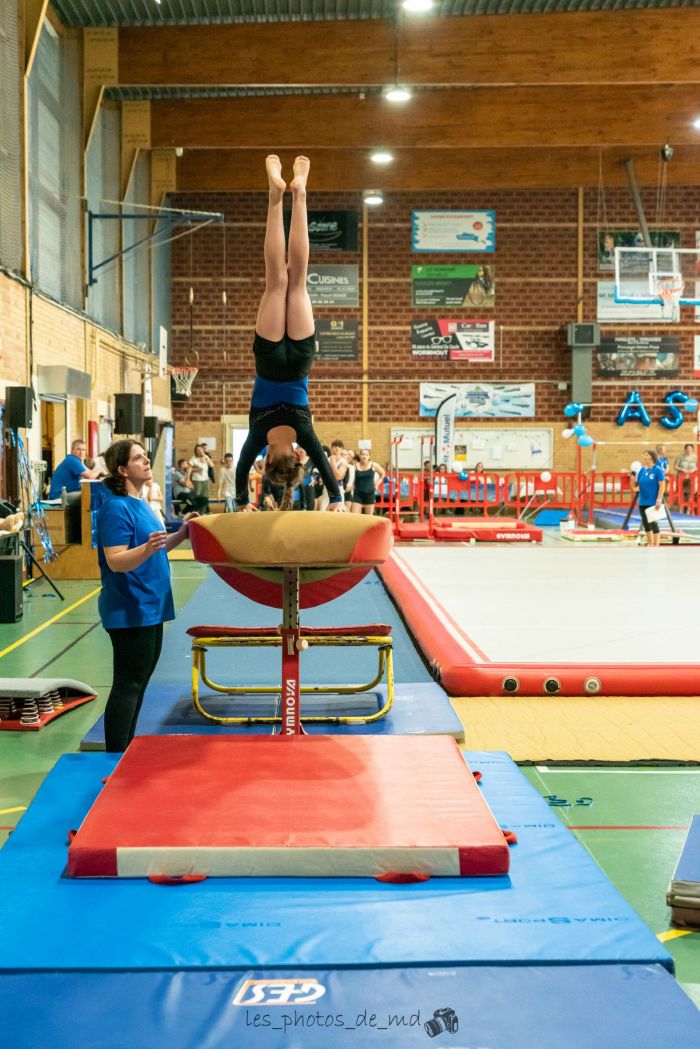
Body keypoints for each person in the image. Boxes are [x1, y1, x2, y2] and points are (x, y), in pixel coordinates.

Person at [234, 155, 346, 514]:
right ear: (267, 463)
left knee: (297, 281)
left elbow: (327, 471)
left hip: (299, 362)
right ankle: (275, 195)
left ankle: (300, 192)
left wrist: (338, 498)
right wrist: (240, 501)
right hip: (268, 361)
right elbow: (239, 471)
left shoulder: (305, 436)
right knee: (277, 280)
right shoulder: (256, 437)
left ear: (298, 457)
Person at [96, 440, 195, 752]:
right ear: (122, 469)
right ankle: (113, 756)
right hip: (129, 608)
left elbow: (157, 546)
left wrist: (182, 533)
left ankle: (125, 750)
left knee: (139, 685)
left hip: (151, 604)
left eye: (145, 455)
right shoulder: (115, 507)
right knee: (128, 684)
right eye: (138, 458)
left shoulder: (142, 504)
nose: (146, 460)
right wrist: (148, 547)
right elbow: (116, 559)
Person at [632, 449, 666, 548]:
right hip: (642, 501)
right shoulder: (642, 470)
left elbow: (662, 486)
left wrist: (659, 500)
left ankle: (656, 544)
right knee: (646, 524)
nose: (643, 456)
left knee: (654, 523)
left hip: (653, 501)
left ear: (651, 457)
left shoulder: (658, 470)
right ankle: (650, 543)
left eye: (646, 454)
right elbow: (637, 485)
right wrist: (634, 481)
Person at [350, 448, 385, 516]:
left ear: (369, 456)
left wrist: (377, 484)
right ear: (360, 456)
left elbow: (383, 473)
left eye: (366, 455)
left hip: (369, 493)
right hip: (358, 494)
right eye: (362, 454)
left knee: (369, 516)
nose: (364, 456)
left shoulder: (373, 465)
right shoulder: (355, 466)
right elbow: (351, 479)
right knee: (354, 516)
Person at [189, 444, 214, 511]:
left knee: (205, 496)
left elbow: (211, 465)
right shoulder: (193, 458)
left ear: (203, 450)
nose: (199, 451)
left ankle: (203, 512)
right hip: (197, 480)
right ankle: (196, 510)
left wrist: (204, 457)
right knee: (197, 495)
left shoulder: (206, 456)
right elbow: (189, 469)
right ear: (195, 451)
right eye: (198, 450)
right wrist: (196, 470)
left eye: (201, 449)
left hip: (205, 479)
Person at [673, 442, 697, 514]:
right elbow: (675, 466)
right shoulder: (680, 457)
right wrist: (682, 469)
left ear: (692, 450)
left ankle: (688, 510)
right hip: (681, 477)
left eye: (690, 449)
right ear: (685, 449)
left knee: (690, 493)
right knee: (682, 493)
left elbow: (698, 467)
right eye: (687, 448)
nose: (689, 450)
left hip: (691, 478)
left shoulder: (695, 457)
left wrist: (694, 469)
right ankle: (681, 510)